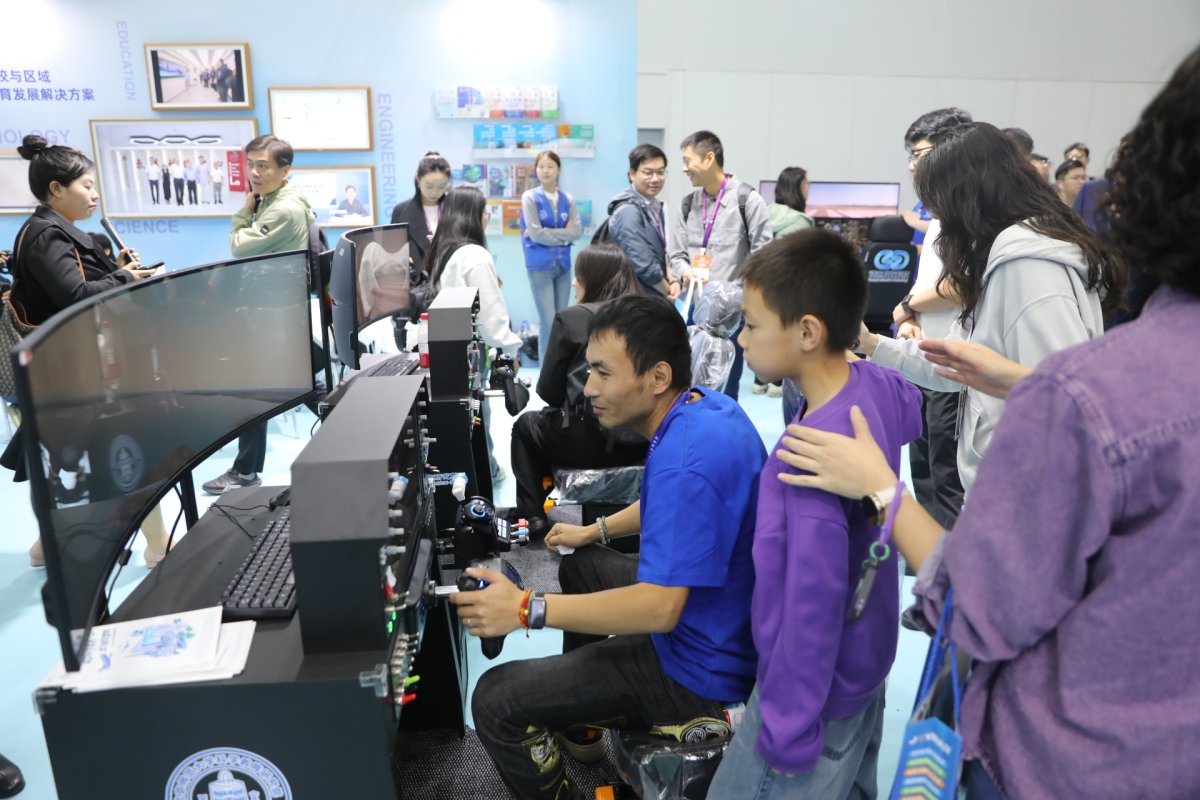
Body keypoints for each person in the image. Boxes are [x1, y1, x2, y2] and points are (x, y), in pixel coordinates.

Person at [773, 44, 1200, 799]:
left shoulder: (1025, 264)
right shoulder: (1038, 266)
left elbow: (984, 601)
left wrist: (882, 490)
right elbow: (996, 370)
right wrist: (880, 347)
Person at [454, 294, 764, 800]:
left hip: (697, 670)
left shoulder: (685, 460)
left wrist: (527, 608)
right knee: (580, 566)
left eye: (603, 373)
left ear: (657, 377)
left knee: (494, 700)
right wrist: (593, 531)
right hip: (722, 615)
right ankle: (583, 728)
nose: (590, 388)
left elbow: (660, 608)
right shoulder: (706, 409)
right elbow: (668, 503)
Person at [708, 229, 923, 798]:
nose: (741, 338)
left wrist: (787, 728)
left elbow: (809, 603)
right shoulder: (872, 386)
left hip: (810, 697)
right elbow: (912, 405)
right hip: (867, 664)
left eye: (751, 325)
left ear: (808, 332)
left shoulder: (808, 457)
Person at [862, 122, 1126, 493]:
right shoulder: (1003, 258)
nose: (938, 219)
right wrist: (870, 343)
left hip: (1028, 492)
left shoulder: (1029, 268)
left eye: (940, 205)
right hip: (1005, 486)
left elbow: (1064, 401)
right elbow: (959, 367)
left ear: (969, 199)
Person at [5, 135, 165, 568]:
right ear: (57, 188)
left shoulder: (52, 231)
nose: (95, 196)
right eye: (87, 186)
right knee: (123, 453)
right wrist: (125, 278)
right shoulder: (47, 236)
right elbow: (75, 296)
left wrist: (120, 268)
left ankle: (49, 544)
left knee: (73, 461)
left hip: (75, 370)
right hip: (78, 372)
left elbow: (78, 286)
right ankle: (157, 545)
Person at [202, 135, 316, 495]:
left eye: (263, 165)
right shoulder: (273, 201)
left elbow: (239, 246)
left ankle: (245, 471)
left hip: (273, 313)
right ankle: (246, 470)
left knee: (263, 389)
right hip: (273, 311)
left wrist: (242, 212)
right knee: (298, 385)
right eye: (250, 164)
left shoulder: (283, 209)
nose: (254, 172)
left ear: (285, 170)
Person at [509, 243, 648, 537]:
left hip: (586, 444)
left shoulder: (571, 318)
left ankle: (532, 517)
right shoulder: (649, 315)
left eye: (578, 276)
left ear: (592, 279)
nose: (573, 282)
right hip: (644, 443)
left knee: (525, 426)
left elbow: (549, 392)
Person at [890, 106, 972, 529]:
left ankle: (948, 560)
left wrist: (908, 306)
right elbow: (931, 282)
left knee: (945, 473)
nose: (911, 165)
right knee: (921, 463)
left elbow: (963, 284)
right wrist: (911, 319)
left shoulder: (970, 212)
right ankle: (927, 555)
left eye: (919, 154)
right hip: (924, 354)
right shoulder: (939, 213)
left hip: (954, 363)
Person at [668, 130, 772, 400]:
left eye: (687, 160)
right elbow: (676, 255)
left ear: (709, 158)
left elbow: (764, 258)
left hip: (732, 315)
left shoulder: (747, 200)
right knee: (687, 385)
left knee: (726, 389)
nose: (684, 168)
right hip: (694, 309)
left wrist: (737, 295)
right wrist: (684, 271)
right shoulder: (688, 205)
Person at [427, 186, 521, 482]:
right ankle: (488, 471)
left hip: (446, 347)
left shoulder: (444, 249)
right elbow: (491, 319)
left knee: (470, 418)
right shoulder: (475, 255)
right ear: (473, 215)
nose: (486, 216)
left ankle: (486, 468)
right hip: (472, 350)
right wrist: (510, 352)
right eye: (484, 211)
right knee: (479, 416)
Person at [754, 166, 815, 398]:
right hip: (790, 289)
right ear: (797, 187)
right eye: (806, 184)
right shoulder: (800, 221)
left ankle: (761, 380)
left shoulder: (765, 213)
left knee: (765, 331)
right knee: (787, 332)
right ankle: (778, 383)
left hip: (762, 285)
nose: (809, 188)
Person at [520, 150, 583, 363]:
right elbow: (536, 234)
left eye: (550, 166)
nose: (545, 171)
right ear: (536, 170)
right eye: (541, 166)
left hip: (563, 266)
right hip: (540, 267)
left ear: (559, 169)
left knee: (562, 320)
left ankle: (560, 367)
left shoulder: (568, 198)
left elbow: (577, 231)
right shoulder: (530, 197)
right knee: (548, 322)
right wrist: (564, 235)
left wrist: (549, 233)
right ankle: (546, 371)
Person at [389, 151, 452, 349]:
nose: (435, 192)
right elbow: (392, 250)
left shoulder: (454, 209)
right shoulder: (402, 210)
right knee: (416, 349)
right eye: (429, 186)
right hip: (415, 292)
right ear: (418, 179)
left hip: (449, 287)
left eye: (442, 186)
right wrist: (401, 257)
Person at [606, 143, 679, 298]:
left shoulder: (654, 205)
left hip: (650, 294)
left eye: (661, 172)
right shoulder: (627, 211)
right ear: (632, 174)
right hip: (634, 298)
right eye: (648, 173)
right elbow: (644, 264)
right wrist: (668, 291)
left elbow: (660, 252)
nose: (655, 179)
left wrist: (673, 279)